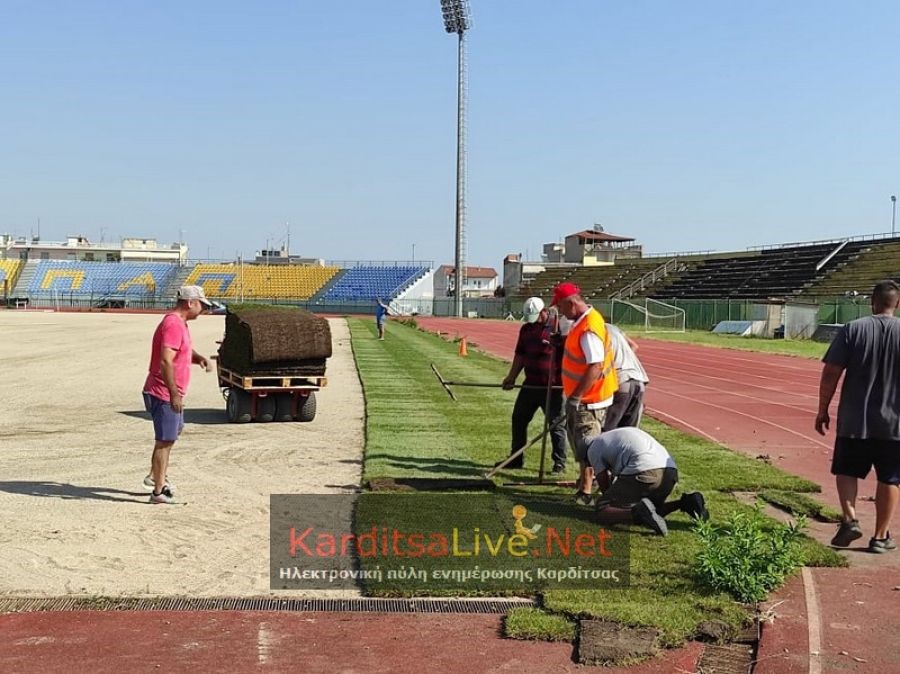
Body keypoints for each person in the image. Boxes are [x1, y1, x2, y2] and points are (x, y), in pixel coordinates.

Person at [816, 279, 900, 553]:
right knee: (890, 478)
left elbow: (831, 372)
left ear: (871, 302)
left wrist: (823, 409)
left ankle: (850, 517)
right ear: (896, 304)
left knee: (846, 470)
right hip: (894, 425)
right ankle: (880, 536)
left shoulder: (853, 329)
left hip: (855, 421)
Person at [142, 285, 212, 504]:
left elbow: (181, 351)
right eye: (202, 305)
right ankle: (158, 491)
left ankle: (156, 475)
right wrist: (174, 394)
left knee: (172, 433)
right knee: (165, 439)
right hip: (163, 392)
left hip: (168, 392)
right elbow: (165, 360)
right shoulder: (173, 324)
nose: (204, 310)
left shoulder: (179, 324)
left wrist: (198, 357)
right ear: (190, 303)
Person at [551, 281, 619, 506]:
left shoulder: (588, 327)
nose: (559, 312)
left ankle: (587, 492)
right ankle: (585, 484)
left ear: (571, 303)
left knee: (588, 446)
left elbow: (595, 365)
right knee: (583, 445)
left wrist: (576, 397)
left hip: (589, 401)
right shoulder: (584, 321)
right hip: (588, 397)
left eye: (560, 307)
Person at [587, 426, 708, 536]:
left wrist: (611, 501)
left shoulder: (592, 449)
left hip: (646, 472)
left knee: (603, 509)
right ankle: (687, 502)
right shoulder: (615, 436)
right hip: (670, 472)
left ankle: (639, 513)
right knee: (653, 510)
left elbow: (604, 483)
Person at [497, 297, 567, 473]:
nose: (533, 321)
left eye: (536, 316)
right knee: (518, 418)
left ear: (544, 311)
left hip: (553, 387)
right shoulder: (526, 329)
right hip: (530, 385)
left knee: (556, 424)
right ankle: (516, 458)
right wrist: (511, 377)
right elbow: (520, 354)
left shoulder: (558, 328)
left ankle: (559, 462)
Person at [603, 324, 650, 431]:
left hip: (622, 381)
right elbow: (634, 345)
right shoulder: (614, 328)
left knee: (609, 432)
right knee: (630, 433)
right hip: (639, 380)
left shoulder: (595, 331)